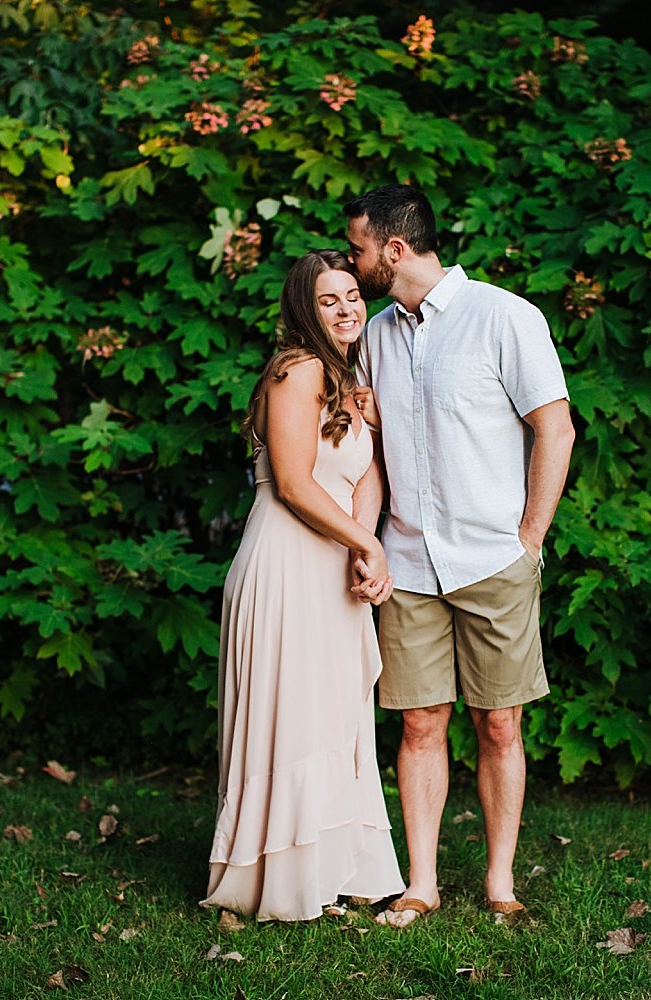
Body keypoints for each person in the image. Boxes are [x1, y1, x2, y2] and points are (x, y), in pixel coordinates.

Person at [343, 185, 575, 926]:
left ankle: (501, 884)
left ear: (396, 250)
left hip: (491, 560)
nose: (354, 261)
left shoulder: (505, 317)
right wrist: (368, 540)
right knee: (419, 724)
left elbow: (556, 429)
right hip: (406, 563)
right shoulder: (376, 334)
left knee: (499, 725)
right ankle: (422, 884)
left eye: (358, 248)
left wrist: (530, 537)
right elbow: (369, 447)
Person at [202, 249, 407, 922]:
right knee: (292, 721)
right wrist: (366, 543)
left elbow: (363, 476)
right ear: (304, 310)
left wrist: (363, 551)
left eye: (353, 294)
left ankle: (335, 870)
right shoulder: (298, 371)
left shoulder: (350, 381)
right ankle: (280, 880)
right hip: (285, 565)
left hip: (332, 569)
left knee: (335, 718)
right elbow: (293, 483)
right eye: (329, 300)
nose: (348, 308)